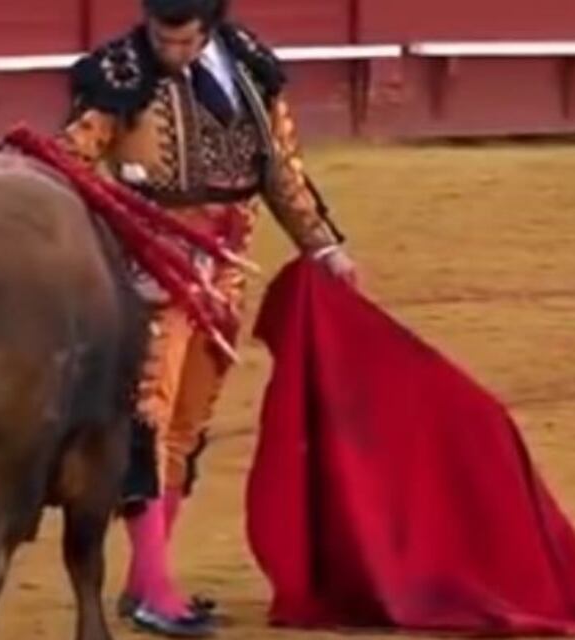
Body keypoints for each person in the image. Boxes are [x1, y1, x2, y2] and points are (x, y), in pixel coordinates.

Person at [57, 0, 358, 635]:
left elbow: (281, 171)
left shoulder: (249, 65)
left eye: (185, 41)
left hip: (225, 267)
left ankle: (148, 582)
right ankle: (154, 589)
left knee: (189, 421)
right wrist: (118, 229)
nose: (171, 52)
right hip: (148, 267)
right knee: (148, 416)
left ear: (210, 28)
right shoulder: (119, 73)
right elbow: (70, 163)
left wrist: (324, 246)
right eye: (162, 38)